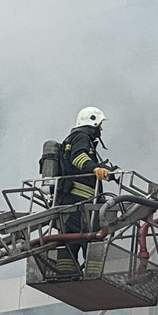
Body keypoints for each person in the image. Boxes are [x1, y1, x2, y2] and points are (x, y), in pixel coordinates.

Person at [54, 107, 113, 274]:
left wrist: (108, 172)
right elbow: (78, 157)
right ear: (93, 121)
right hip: (80, 202)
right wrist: (95, 169)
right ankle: (95, 274)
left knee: (69, 239)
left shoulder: (71, 138)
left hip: (68, 201)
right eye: (100, 124)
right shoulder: (82, 136)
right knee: (94, 235)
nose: (101, 129)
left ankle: (65, 274)